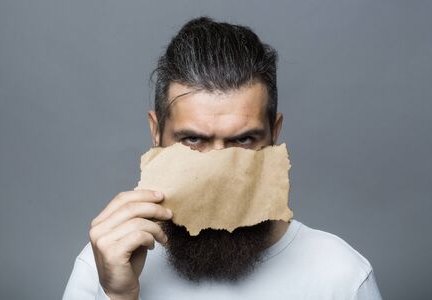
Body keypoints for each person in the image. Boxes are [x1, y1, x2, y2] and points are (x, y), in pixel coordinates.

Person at [63, 17, 382, 300]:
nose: (218, 172)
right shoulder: (104, 264)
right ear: (157, 135)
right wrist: (117, 296)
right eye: (192, 139)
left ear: (274, 135)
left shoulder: (341, 277)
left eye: (243, 139)